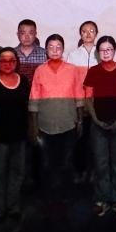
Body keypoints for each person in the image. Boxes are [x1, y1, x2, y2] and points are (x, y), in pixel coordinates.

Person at [29, 34, 84, 207]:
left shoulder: (72, 70)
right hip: (45, 125)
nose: (55, 50)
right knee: (47, 164)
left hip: (68, 123)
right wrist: (34, 125)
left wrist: (80, 121)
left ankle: (65, 198)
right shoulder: (40, 70)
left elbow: (79, 96)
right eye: (51, 47)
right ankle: (48, 199)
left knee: (66, 163)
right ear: (46, 50)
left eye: (58, 47)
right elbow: (34, 100)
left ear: (63, 49)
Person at [83, 35, 116, 217]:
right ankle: (102, 199)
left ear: (114, 50)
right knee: (101, 163)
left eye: (109, 49)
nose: (106, 53)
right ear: (98, 52)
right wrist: (96, 120)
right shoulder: (93, 71)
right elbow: (88, 98)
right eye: (102, 50)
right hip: (98, 124)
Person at [0, 47, 31, 220]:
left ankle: (13, 207)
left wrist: (31, 130)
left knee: (18, 172)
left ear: (16, 62)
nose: (8, 64)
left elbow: (28, 108)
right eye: (4, 60)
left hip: (20, 135)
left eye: (11, 60)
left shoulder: (23, 81)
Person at [66, 20, 99, 184]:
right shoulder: (73, 55)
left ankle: (93, 171)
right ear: (80, 34)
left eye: (92, 31)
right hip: (78, 103)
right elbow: (70, 80)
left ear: (96, 34)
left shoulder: (101, 53)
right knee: (80, 140)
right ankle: (80, 171)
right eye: (84, 31)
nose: (88, 34)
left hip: (97, 103)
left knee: (95, 140)